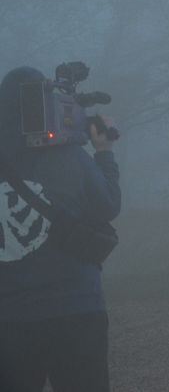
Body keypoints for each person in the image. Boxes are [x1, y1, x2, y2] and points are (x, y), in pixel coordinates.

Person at [0, 66, 121, 392]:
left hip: (10, 318)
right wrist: (105, 154)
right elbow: (108, 205)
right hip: (77, 308)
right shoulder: (67, 156)